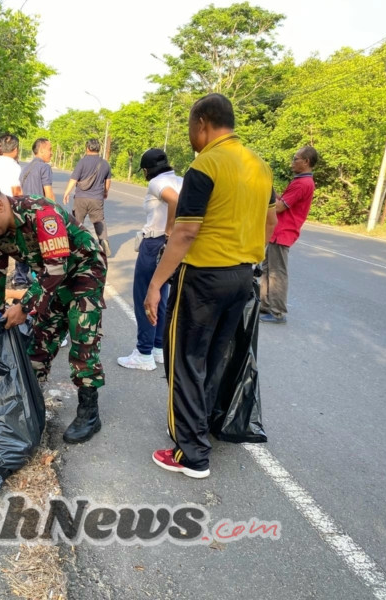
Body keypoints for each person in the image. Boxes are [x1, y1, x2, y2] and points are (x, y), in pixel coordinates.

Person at [144, 94, 277, 479]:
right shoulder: (260, 166)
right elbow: (270, 225)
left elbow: (185, 231)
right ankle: (201, 428)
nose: (190, 135)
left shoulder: (207, 165)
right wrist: (249, 257)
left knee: (185, 359)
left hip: (203, 276)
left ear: (202, 123)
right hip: (242, 276)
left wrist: (156, 284)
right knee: (215, 356)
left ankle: (191, 455)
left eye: (190, 127)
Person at [0, 182, 107, 444]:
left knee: (82, 334)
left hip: (83, 270)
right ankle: (29, 402)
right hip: (52, 278)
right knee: (40, 340)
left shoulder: (41, 213)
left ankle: (89, 412)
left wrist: (24, 307)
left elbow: (56, 268)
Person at [117, 148, 182, 371]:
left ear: (146, 170)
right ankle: (157, 347)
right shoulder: (180, 180)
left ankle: (143, 353)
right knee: (161, 297)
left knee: (146, 296)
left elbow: (174, 201)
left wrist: (169, 230)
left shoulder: (157, 183)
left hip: (155, 242)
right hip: (171, 246)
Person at [260, 146, 318, 324]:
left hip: (284, 231)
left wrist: (266, 198)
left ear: (306, 162)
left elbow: (279, 206)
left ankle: (277, 312)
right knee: (267, 269)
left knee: (276, 273)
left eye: (296, 159)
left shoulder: (303, 183)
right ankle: (265, 304)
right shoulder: (299, 181)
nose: (293, 162)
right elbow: (282, 200)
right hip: (278, 230)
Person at [0, 133, 32, 288]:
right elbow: (16, 192)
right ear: (16, 149)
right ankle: (20, 279)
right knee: (23, 246)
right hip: (8, 211)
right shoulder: (13, 166)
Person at [13, 137, 56, 287]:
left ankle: (19, 280)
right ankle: (41, 281)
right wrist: (56, 214)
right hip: (39, 214)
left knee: (25, 248)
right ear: (42, 150)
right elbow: (48, 194)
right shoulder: (44, 168)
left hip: (24, 214)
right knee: (42, 250)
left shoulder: (25, 169)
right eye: (50, 150)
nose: (51, 153)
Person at [62, 138, 113, 256]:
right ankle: (103, 240)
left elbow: (74, 179)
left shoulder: (82, 162)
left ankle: (78, 248)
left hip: (81, 198)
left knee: (77, 223)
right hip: (96, 198)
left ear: (87, 148)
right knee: (99, 220)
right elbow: (108, 181)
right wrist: (105, 192)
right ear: (98, 149)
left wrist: (67, 193)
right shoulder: (105, 163)